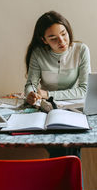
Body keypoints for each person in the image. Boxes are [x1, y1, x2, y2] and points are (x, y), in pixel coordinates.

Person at [24, 11, 91, 157]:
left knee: (67, 146)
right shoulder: (38, 53)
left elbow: (85, 90)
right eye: (53, 38)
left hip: (73, 108)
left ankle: (64, 175)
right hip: (47, 109)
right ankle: (70, 176)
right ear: (44, 40)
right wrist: (30, 94)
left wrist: (48, 94)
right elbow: (30, 84)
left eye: (64, 34)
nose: (61, 41)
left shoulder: (81, 50)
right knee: (66, 147)